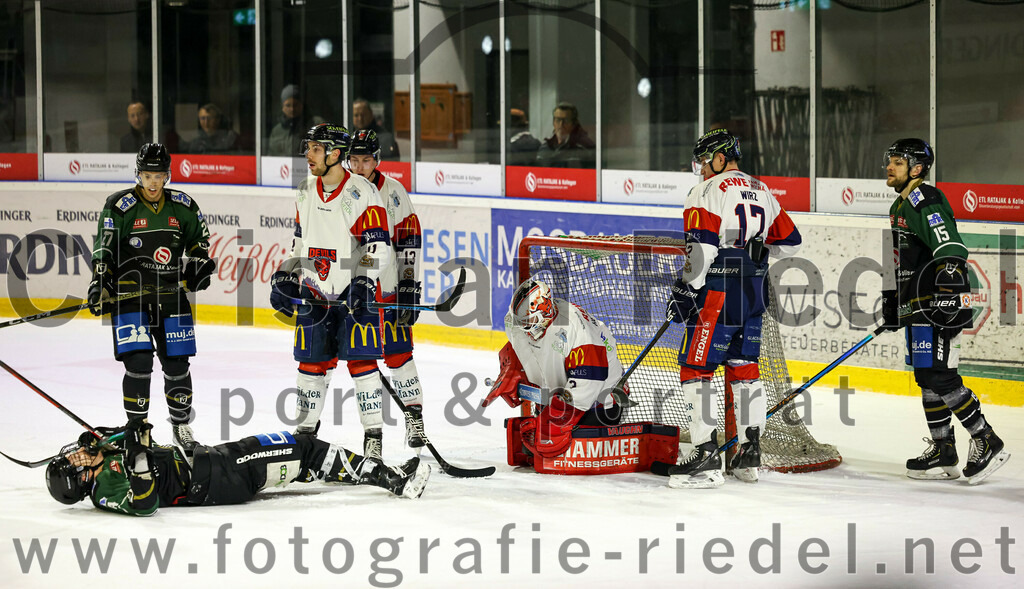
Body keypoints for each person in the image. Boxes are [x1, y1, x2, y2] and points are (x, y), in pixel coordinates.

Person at [666, 129, 802, 489]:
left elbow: (703, 247)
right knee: (745, 366)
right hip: (754, 287)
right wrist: (754, 252)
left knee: (695, 367)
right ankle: (748, 455)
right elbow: (790, 242)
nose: (702, 170)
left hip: (719, 289)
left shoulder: (706, 191)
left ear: (721, 157)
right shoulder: (762, 189)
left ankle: (706, 457)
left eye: (705, 161)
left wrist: (686, 287)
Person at [879, 138, 1010, 484]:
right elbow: (899, 259)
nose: (889, 167)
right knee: (926, 377)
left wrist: (949, 294)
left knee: (941, 376)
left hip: (939, 306)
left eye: (897, 161)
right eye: (889, 161)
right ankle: (943, 449)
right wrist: (893, 302)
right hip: (918, 306)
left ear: (916, 169)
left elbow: (950, 245)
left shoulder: (925, 199)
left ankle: (986, 438)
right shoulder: (899, 207)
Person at [268, 123, 394, 469]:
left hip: (355, 296)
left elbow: (378, 246)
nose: (307, 155)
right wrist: (286, 273)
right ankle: (304, 439)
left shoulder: (361, 192)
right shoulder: (306, 190)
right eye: (308, 147)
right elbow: (299, 242)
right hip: (315, 294)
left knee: (363, 366)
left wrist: (363, 281)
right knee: (310, 368)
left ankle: (374, 442)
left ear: (335, 154)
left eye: (315, 149)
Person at [88, 143, 216, 459]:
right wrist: (99, 282)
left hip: (171, 297)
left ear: (167, 175)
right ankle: (137, 428)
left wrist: (199, 265)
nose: (153, 183)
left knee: (177, 365)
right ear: (139, 174)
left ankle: (182, 426)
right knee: (139, 363)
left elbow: (200, 244)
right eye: (147, 175)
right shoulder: (119, 206)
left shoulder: (183, 206)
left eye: (159, 176)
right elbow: (104, 250)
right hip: (130, 297)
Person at [44, 417, 430, 514]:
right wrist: (139, 453)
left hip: (211, 463)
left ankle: (358, 471)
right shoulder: (106, 489)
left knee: (302, 460)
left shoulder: (101, 467)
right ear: (81, 480)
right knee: (304, 448)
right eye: (75, 462)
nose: (78, 456)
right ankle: (395, 481)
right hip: (218, 478)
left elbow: (121, 443)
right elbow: (144, 504)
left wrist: (107, 437)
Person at [345, 129, 427, 452]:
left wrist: (408, 286)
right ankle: (373, 438)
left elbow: (409, 239)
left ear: (377, 160)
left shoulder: (394, 193)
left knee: (400, 356)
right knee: (362, 366)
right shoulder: (343, 194)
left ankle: (415, 419)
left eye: (366, 160)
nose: (360, 166)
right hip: (356, 296)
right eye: (354, 159)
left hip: (389, 292)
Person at [483, 278, 626, 460]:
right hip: (554, 400)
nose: (525, 328)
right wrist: (512, 369)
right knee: (540, 449)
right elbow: (520, 347)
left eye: (530, 321)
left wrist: (555, 420)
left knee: (559, 452)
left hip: (599, 404)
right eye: (521, 322)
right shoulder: (516, 322)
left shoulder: (577, 331)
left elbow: (589, 382)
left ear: (546, 312)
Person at [536, 102, 595, 168]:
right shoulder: (544, 148)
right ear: (553, 122)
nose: (561, 125)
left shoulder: (584, 148)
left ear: (574, 123)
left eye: (566, 120)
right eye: (558, 120)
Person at [268, 84, 307, 156]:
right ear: (282, 107)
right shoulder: (276, 131)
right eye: (288, 105)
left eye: (295, 105)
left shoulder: (315, 124)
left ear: (301, 105)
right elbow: (271, 155)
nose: (292, 109)